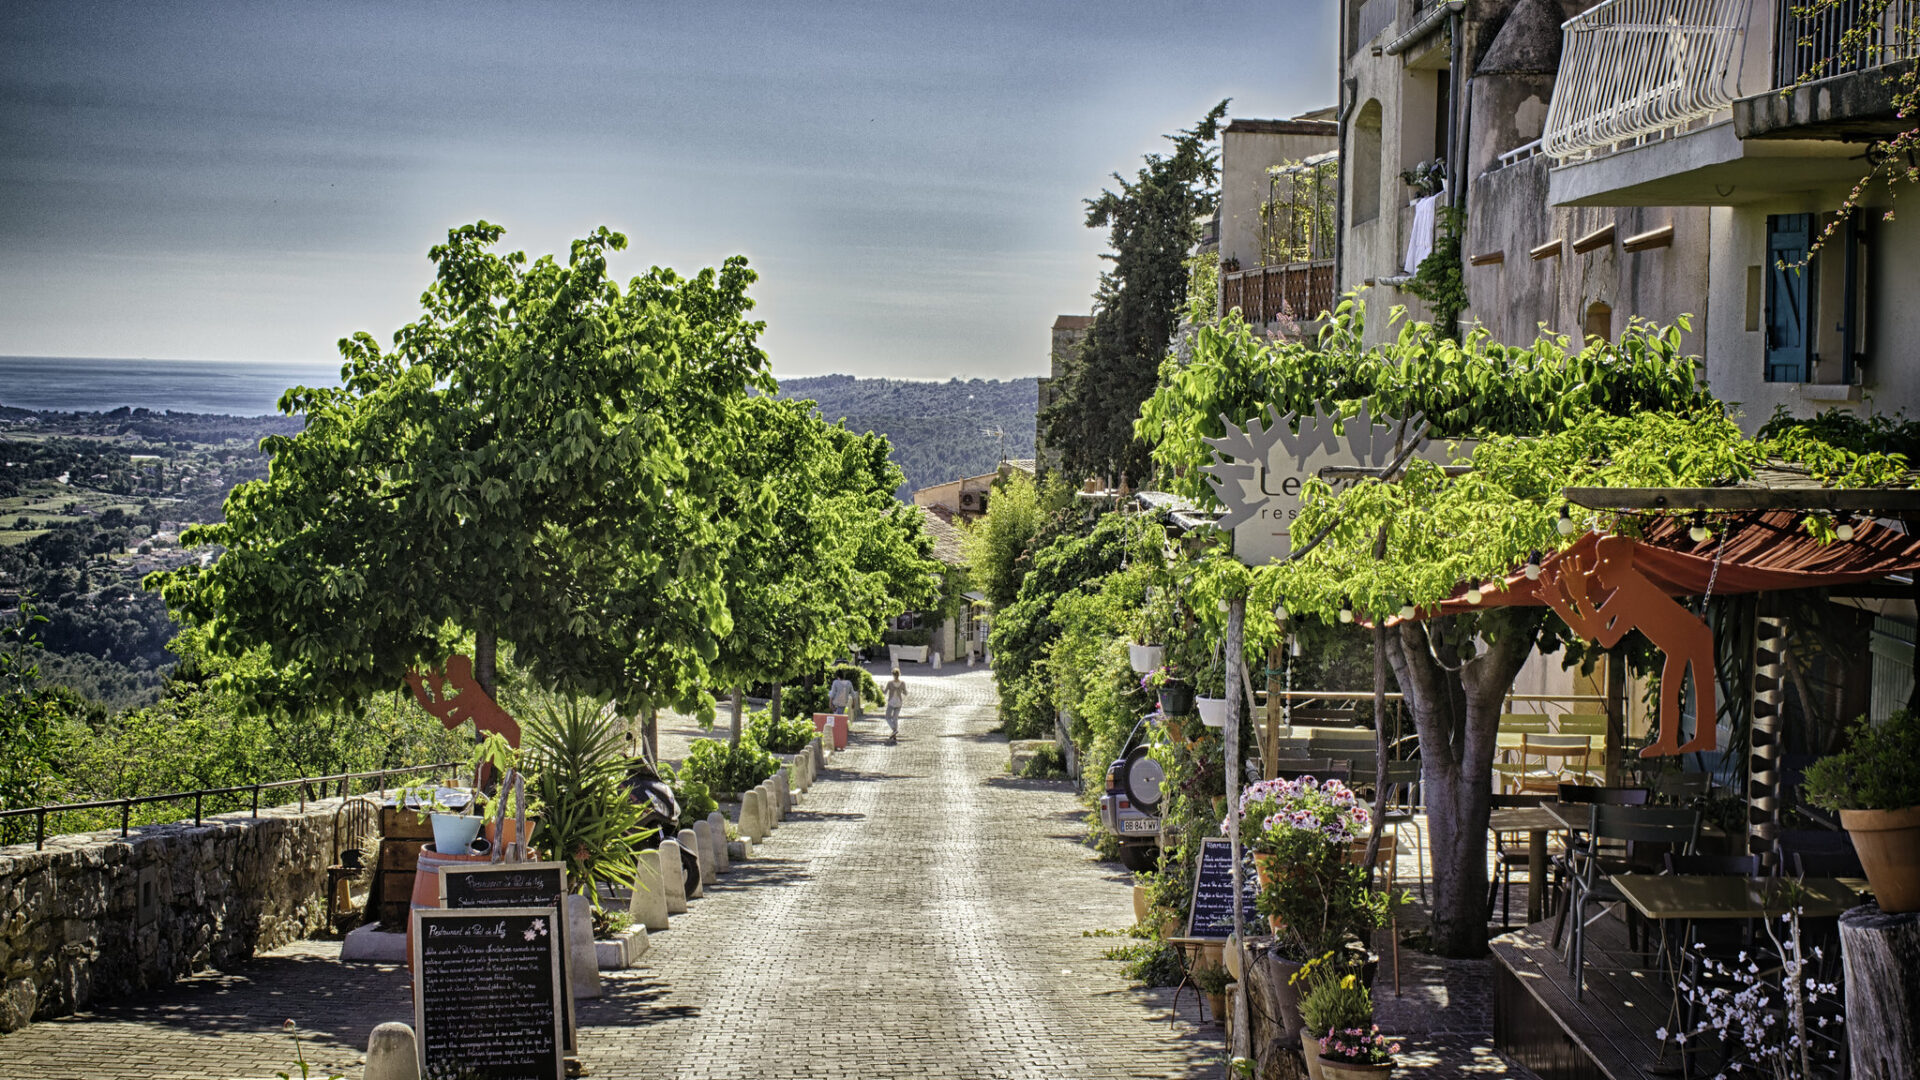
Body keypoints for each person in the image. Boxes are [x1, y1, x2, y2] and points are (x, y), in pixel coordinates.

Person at [883, 668, 907, 742]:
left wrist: (881, 688)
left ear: (893, 675)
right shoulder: (902, 683)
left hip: (891, 701)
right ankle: (894, 735)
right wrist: (901, 690)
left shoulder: (890, 683)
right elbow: (905, 693)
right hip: (899, 702)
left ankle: (894, 729)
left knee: (887, 717)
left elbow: (885, 692)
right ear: (899, 674)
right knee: (895, 718)